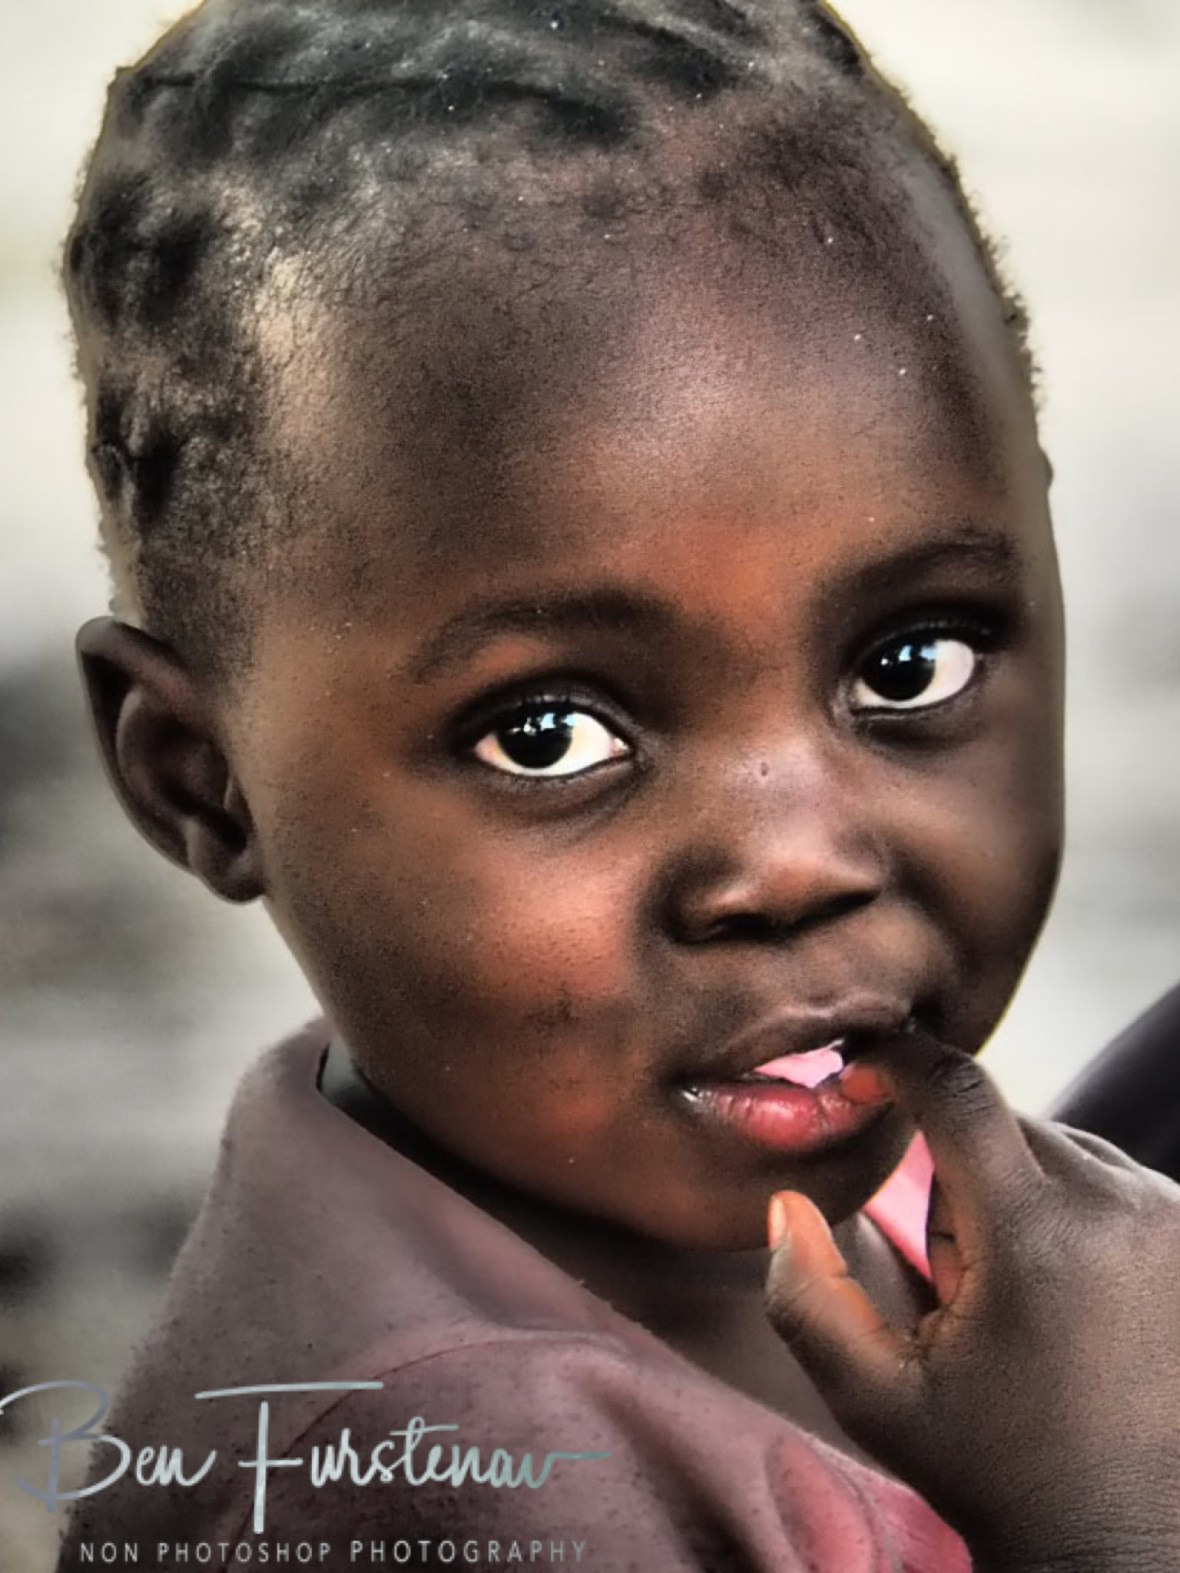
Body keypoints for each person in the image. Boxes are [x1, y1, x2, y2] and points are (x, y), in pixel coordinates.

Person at [51, 0, 1180, 1568]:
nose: (792, 862)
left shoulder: (645, 1167)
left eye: (910, 662)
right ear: (201, 779)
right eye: (549, 735)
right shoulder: (434, 1488)